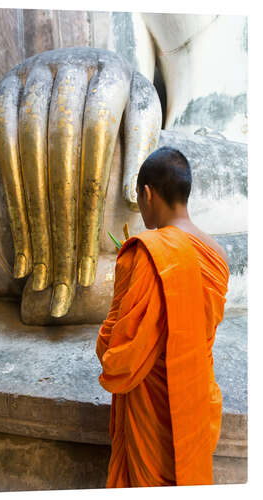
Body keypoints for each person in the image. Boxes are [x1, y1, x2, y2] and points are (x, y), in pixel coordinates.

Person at [96, 146, 229, 487]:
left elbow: (118, 351)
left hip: (152, 412)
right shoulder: (217, 255)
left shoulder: (146, 254)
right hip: (196, 400)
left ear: (147, 193)